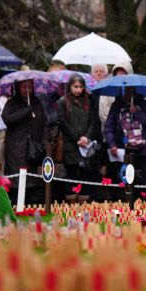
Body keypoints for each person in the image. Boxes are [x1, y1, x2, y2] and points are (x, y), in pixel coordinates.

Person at [2, 79, 48, 204]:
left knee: (32, 177)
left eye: (29, 87)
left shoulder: (37, 102)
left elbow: (44, 122)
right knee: (18, 177)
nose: (27, 90)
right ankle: (17, 204)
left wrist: (43, 141)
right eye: (24, 87)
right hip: (16, 147)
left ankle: (31, 204)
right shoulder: (12, 103)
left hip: (33, 147)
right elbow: (7, 119)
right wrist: (26, 111)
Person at [104, 86, 146, 191]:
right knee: (124, 181)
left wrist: (137, 112)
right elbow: (108, 127)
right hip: (123, 151)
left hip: (142, 151)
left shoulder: (143, 104)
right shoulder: (116, 106)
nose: (128, 93)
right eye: (125, 90)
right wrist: (112, 144)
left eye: (130, 90)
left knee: (141, 183)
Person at [57, 74, 97, 203]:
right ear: (70, 87)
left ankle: (84, 205)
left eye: (81, 87)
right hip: (71, 145)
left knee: (85, 175)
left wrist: (87, 137)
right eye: (75, 86)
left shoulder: (88, 102)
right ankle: (72, 205)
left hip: (86, 145)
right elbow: (62, 122)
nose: (78, 89)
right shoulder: (63, 102)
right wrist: (77, 138)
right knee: (72, 175)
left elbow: (93, 122)